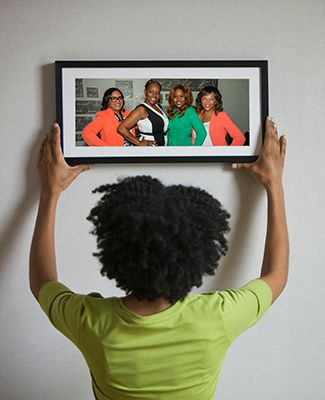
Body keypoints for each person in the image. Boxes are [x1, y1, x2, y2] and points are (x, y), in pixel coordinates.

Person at [30, 117, 288, 400]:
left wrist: (49, 192)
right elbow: (276, 275)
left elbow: (41, 282)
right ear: (199, 255)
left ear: (113, 250)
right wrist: (274, 184)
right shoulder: (218, 317)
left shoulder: (91, 323)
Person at [117, 79, 169, 146]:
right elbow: (121, 128)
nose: (154, 95)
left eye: (157, 93)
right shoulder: (141, 109)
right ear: (145, 91)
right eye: (151, 92)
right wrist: (139, 142)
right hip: (150, 149)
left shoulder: (158, 106)